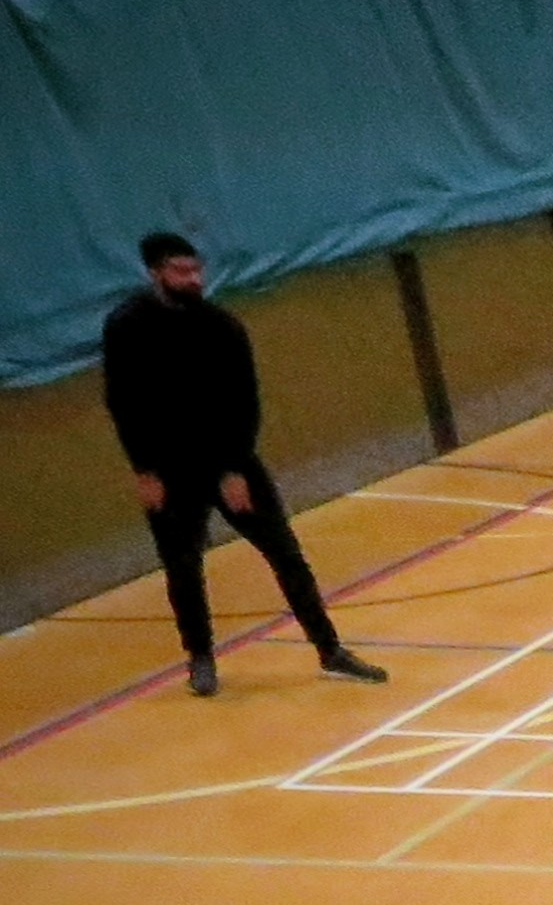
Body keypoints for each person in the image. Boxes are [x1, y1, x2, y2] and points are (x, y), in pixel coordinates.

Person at [99, 234, 385, 699]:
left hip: (228, 462)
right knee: (183, 566)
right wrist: (144, 469)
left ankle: (330, 649)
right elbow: (122, 402)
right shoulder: (127, 327)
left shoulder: (222, 327)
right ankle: (201, 658)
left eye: (197, 270)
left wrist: (234, 469)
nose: (193, 279)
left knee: (286, 554)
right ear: (155, 272)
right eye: (180, 271)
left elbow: (245, 401)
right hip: (169, 471)